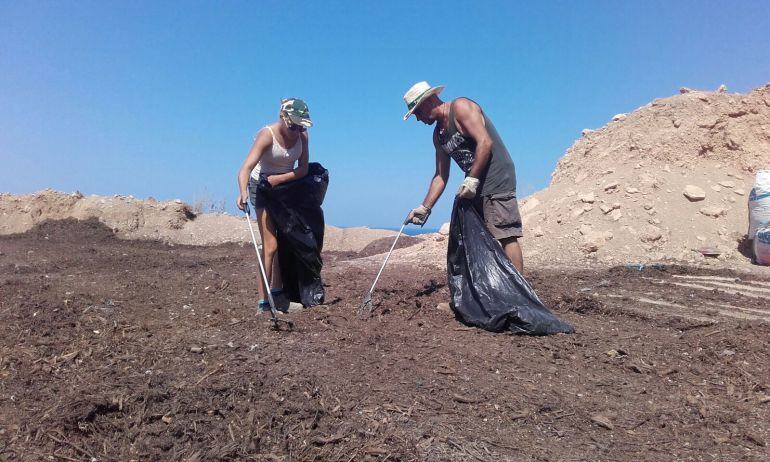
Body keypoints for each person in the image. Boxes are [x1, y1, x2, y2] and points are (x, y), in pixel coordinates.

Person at [403, 81, 524, 273]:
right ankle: (488, 289)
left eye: (417, 112)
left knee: (505, 234)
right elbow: (441, 175)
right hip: (473, 183)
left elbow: (485, 142)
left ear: (428, 101)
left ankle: (518, 290)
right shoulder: (438, 135)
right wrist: (425, 207)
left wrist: (471, 179)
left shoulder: (461, 107)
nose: (418, 119)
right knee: (477, 237)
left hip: (496, 176)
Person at [236, 98, 312, 313]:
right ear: (282, 117)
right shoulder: (266, 135)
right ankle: (263, 303)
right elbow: (245, 168)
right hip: (261, 187)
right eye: (294, 126)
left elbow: (303, 169)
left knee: (284, 241)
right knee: (270, 245)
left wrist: (279, 179)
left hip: (284, 187)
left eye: (301, 126)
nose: (298, 130)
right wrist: (242, 192)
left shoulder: (303, 136)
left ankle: (278, 294)